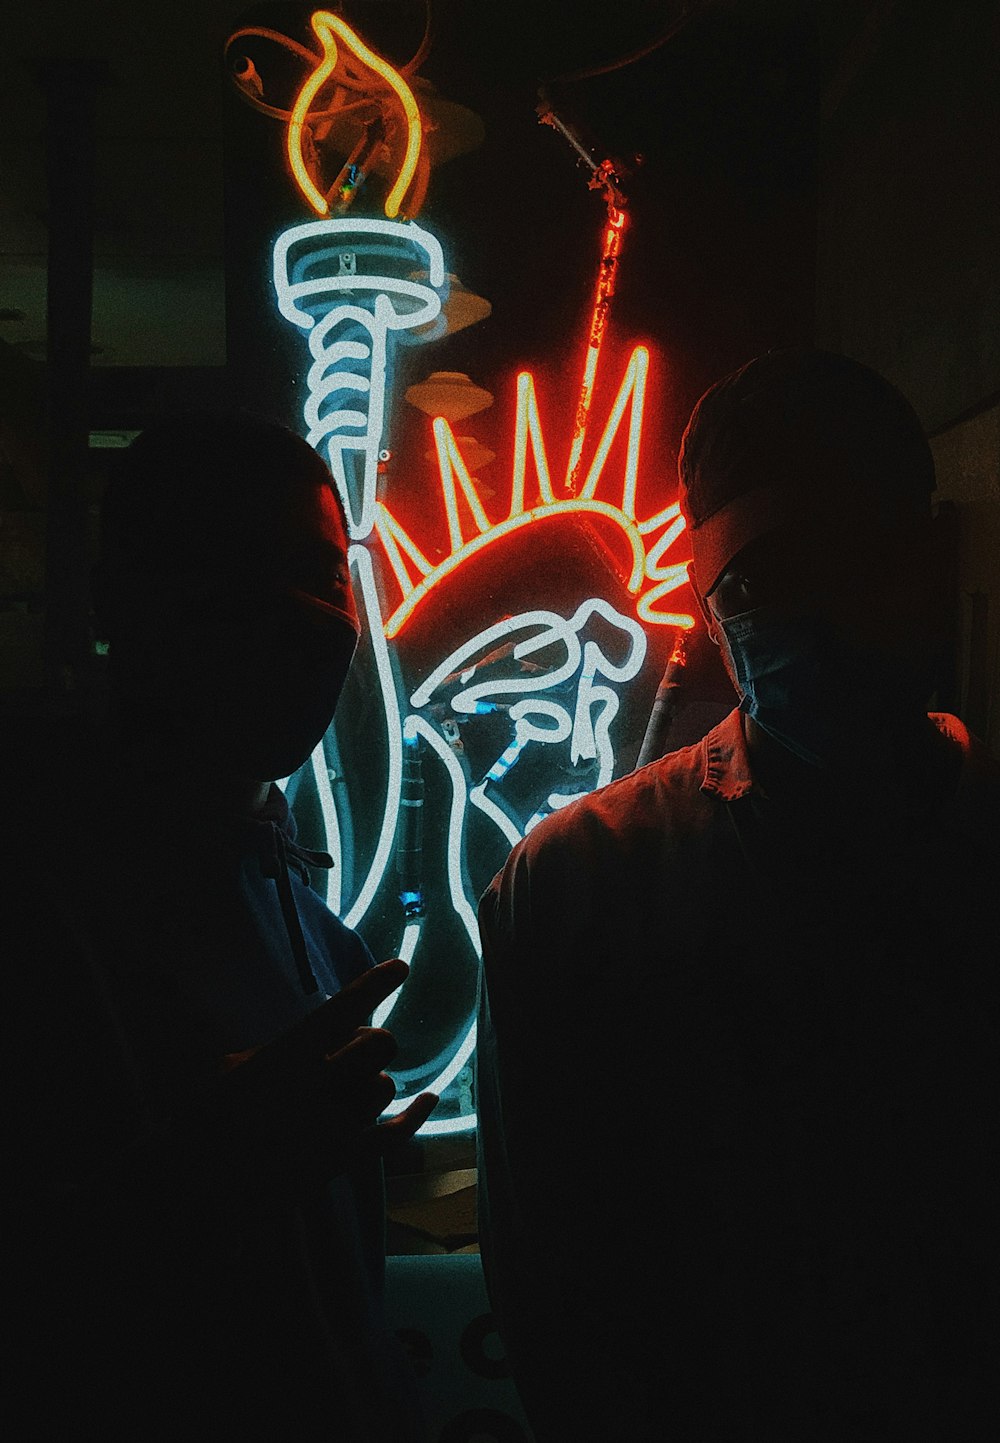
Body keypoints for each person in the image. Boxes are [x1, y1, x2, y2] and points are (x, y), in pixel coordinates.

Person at [475, 349, 999, 1441]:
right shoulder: (571, 887)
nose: (824, 609)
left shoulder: (586, 880)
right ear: (708, 611)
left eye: (855, 559)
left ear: (928, 554)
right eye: (769, 581)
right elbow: (552, 1285)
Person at [5, 413, 436, 1439]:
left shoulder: (320, 940)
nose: (297, 617)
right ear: (118, 602)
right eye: (234, 575)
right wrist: (200, 1182)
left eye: (324, 575)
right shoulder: (33, 894)